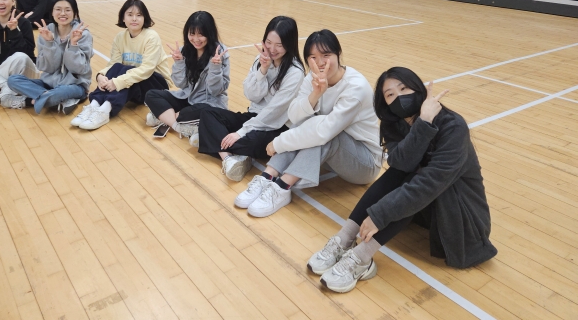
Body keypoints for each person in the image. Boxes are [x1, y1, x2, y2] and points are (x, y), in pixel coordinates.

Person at [310, 67, 497, 293]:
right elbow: (402, 163)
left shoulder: (452, 126)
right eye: (390, 95)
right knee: (401, 171)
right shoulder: (394, 123)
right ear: (385, 103)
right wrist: (422, 124)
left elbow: (429, 184)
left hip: (461, 218)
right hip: (427, 212)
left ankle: (362, 258)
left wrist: (380, 215)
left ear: (418, 88)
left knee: (417, 178)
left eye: (404, 88)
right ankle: (345, 238)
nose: (399, 97)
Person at [237, 30, 382, 218]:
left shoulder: (356, 88)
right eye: (313, 57)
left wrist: (279, 143)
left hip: (364, 163)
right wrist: (315, 94)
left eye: (326, 55)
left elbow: (325, 132)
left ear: (338, 54)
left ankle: (282, 187)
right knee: (308, 122)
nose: (320, 63)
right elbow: (294, 116)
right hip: (331, 157)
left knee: (323, 130)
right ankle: (268, 175)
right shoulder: (313, 78)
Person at [196, 16, 305, 182]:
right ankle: (229, 158)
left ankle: (212, 139)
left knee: (252, 141)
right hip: (254, 117)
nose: (272, 49)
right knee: (207, 113)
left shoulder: (295, 72)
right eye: (268, 42)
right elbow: (251, 95)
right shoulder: (261, 59)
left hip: (277, 126)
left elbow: (274, 112)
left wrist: (240, 132)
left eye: (279, 45)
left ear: (290, 44)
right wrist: (263, 71)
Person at [71, 0, 171, 130]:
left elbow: (146, 69)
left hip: (157, 86)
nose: (134, 19)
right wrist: (101, 76)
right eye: (130, 15)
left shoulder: (151, 37)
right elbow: (114, 64)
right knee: (119, 68)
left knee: (127, 70)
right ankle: (94, 105)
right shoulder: (120, 37)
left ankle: (105, 110)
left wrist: (118, 82)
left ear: (145, 18)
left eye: (139, 15)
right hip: (135, 84)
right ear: (123, 18)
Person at [145, 11, 230, 139]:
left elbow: (215, 90)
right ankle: (179, 126)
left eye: (201, 35)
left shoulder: (220, 54)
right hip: (187, 98)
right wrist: (179, 62)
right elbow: (181, 84)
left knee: (191, 113)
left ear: (210, 33)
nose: (196, 39)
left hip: (209, 103)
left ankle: (165, 117)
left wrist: (215, 67)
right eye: (192, 34)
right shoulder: (185, 50)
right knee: (151, 95)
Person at [6, 0, 93, 114]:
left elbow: (78, 69)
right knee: (13, 80)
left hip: (75, 85)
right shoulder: (46, 31)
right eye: (58, 9)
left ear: (75, 13)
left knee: (61, 92)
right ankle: (58, 99)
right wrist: (49, 43)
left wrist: (73, 45)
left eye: (68, 10)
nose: (63, 13)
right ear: (52, 12)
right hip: (48, 84)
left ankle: (30, 101)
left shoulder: (83, 34)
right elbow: (47, 67)